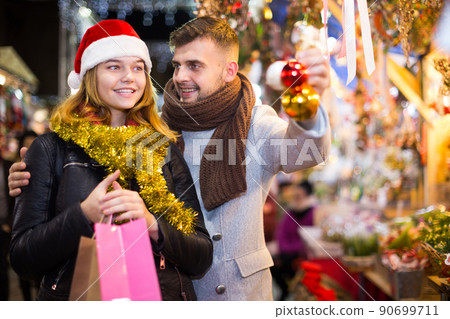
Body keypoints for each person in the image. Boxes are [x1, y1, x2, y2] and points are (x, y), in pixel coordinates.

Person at [10, 16, 330, 300]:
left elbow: (307, 152)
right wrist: (40, 175)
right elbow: (29, 247)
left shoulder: (255, 122)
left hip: (235, 293)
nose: (179, 77)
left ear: (229, 70)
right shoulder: (161, 127)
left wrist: (309, 107)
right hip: (159, 290)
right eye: (177, 65)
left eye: (195, 66)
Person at [9, 19, 212, 301]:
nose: (129, 77)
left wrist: (152, 224)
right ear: (91, 75)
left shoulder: (163, 149)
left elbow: (201, 256)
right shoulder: (50, 149)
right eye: (114, 66)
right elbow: (22, 259)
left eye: (138, 67)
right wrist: (83, 216)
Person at [271, 180, 317, 300]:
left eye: (299, 196)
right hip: (285, 252)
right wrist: (284, 249)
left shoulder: (313, 213)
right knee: (270, 263)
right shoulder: (290, 212)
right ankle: (285, 290)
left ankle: (291, 292)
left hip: (301, 253)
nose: (296, 199)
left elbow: (308, 240)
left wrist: (289, 250)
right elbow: (281, 233)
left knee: (287, 264)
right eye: (295, 196)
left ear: (308, 196)